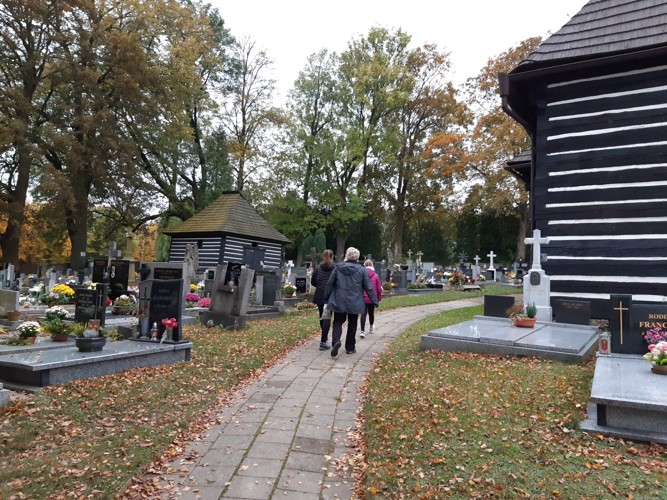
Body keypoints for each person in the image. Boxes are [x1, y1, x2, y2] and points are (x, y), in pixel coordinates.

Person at [324, 247, 378, 357]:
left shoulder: (338, 267)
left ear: (347, 256)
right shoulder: (362, 270)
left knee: (338, 321)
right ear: (357, 257)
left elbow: (330, 283)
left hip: (339, 299)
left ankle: (336, 341)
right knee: (352, 323)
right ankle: (350, 347)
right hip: (355, 300)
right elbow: (368, 287)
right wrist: (374, 300)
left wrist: (326, 297)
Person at [311, 249, 336, 350]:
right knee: (327, 317)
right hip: (330, 295)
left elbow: (313, 281)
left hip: (320, 294)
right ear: (332, 256)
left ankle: (324, 336)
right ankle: (323, 341)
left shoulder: (318, 268)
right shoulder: (335, 268)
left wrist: (320, 285)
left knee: (322, 315)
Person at [360, 259, 382, 338]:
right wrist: (378, 299)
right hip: (372, 298)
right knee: (371, 313)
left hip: (363, 297)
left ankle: (362, 331)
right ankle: (371, 327)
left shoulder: (361, 274)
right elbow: (379, 289)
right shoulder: (375, 275)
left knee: (363, 314)